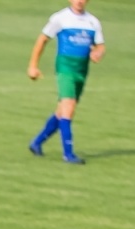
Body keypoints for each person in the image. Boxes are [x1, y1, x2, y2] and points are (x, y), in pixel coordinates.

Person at [27, 0, 105, 165]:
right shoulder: (60, 18)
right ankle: (68, 154)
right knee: (68, 109)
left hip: (82, 71)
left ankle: (37, 142)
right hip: (65, 69)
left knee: (61, 112)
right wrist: (33, 66)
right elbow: (42, 39)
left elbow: (100, 46)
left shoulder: (93, 22)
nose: (79, 1)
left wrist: (98, 53)